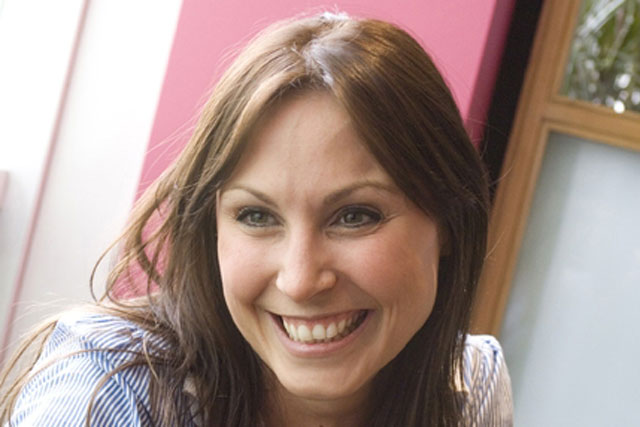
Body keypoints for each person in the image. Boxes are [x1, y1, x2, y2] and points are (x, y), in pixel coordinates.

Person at [0, 12, 512, 426]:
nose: (300, 280)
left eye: (355, 216)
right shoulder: (109, 387)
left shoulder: (470, 389)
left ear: (448, 219)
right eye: (256, 216)